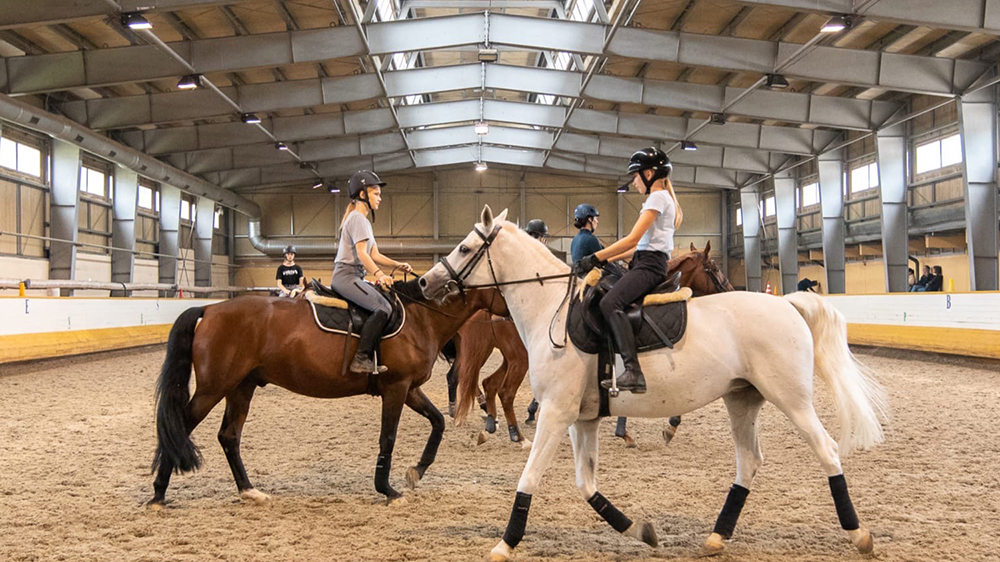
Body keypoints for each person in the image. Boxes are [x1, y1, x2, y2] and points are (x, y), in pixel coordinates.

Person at [575, 147, 682, 394]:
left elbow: (632, 240)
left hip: (649, 266)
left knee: (610, 303)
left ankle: (633, 371)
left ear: (649, 173)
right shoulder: (663, 198)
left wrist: (595, 257)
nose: (633, 182)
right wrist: (604, 259)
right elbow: (636, 248)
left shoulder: (657, 197)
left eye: (635, 176)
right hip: (645, 260)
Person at [331, 170, 413, 374]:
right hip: (346, 276)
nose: (380, 198)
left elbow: (374, 254)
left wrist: (396, 265)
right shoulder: (357, 218)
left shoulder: (363, 221)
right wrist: (379, 275)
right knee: (383, 308)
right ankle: (361, 357)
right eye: (376, 194)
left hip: (354, 275)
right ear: (362, 195)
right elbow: (362, 254)